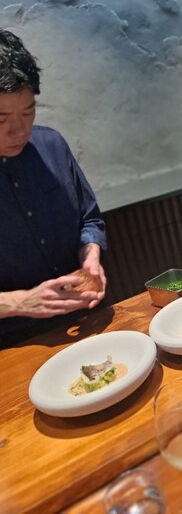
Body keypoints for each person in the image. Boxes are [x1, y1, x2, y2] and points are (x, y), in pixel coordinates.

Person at [0, 28, 107, 337]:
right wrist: (19, 302)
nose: (18, 131)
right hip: (13, 343)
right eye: (1, 119)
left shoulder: (52, 145)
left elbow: (89, 219)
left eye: (28, 112)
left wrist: (90, 257)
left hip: (85, 316)